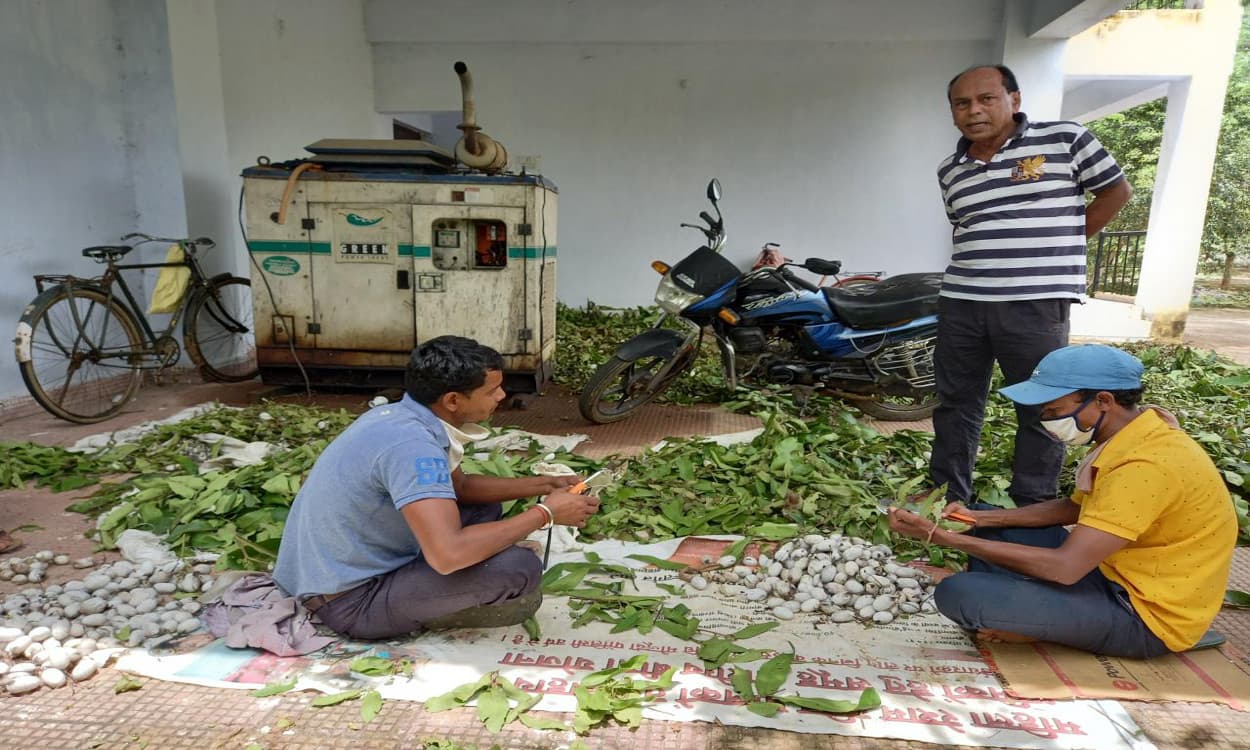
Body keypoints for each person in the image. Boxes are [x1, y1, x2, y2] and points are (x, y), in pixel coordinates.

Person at [889, 344, 1236, 658]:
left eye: (1054, 410)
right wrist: (978, 521)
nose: (1047, 420)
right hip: (1110, 571)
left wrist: (943, 538)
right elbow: (1074, 508)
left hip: (1142, 615)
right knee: (980, 518)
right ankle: (1038, 607)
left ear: (1103, 401)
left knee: (959, 594)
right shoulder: (1136, 434)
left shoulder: (1145, 466)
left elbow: (1065, 568)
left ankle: (1041, 625)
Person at [272, 336, 599, 640]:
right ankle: (433, 609)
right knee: (518, 569)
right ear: (453, 400)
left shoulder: (399, 415)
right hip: (351, 602)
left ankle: (438, 579)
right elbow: (448, 555)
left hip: (331, 572)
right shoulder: (413, 448)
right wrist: (545, 513)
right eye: (491, 391)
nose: (501, 396)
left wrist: (546, 484)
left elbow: (462, 487)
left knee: (484, 510)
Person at [930, 65, 1133, 507]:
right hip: (963, 302)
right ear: (952, 112)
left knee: (1045, 406)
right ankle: (947, 499)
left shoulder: (1064, 139)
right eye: (962, 103)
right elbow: (966, 227)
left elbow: (1116, 193)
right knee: (954, 405)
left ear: (1014, 100)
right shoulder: (951, 170)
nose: (974, 110)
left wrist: (1060, 249)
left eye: (986, 98)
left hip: (1035, 305)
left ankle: (1033, 504)